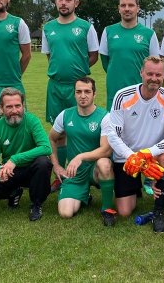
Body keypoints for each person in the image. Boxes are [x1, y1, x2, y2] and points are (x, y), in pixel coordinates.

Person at [106, 56, 164, 233]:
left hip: (152, 157)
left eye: (158, 75)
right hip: (127, 157)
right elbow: (113, 135)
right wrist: (133, 157)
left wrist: (145, 154)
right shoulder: (122, 96)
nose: (154, 78)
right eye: (150, 74)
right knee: (124, 211)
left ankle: (158, 212)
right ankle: (136, 186)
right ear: (141, 73)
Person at [0, 88, 52, 221]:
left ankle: (36, 204)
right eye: (9, 107)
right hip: (10, 172)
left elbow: (46, 148)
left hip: (32, 170)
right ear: (1, 108)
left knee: (43, 162)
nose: (14, 110)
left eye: (18, 106)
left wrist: (15, 159)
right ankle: (14, 192)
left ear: (23, 106)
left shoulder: (32, 121)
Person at [48, 77, 116, 226]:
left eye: (87, 91)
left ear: (94, 94)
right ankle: (85, 194)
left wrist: (80, 157)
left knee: (104, 163)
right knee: (66, 213)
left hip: (94, 169)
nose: (83, 95)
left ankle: (107, 209)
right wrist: (56, 166)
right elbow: (51, 139)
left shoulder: (105, 117)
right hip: (75, 172)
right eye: (78, 92)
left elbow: (106, 150)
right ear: (74, 94)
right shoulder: (65, 115)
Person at [42, 0, 99, 124]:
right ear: (55, 1)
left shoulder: (86, 27)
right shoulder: (48, 28)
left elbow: (94, 55)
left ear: (76, 3)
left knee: (78, 125)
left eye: (68, 0)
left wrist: (78, 68)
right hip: (55, 86)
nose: (63, 3)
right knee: (57, 127)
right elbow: (50, 56)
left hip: (78, 86)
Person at [99, 0, 159, 110]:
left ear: (138, 8)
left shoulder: (149, 34)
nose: (127, 9)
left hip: (140, 94)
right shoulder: (108, 31)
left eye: (131, 5)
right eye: (123, 5)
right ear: (119, 8)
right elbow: (105, 62)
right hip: (114, 93)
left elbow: (155, 65)